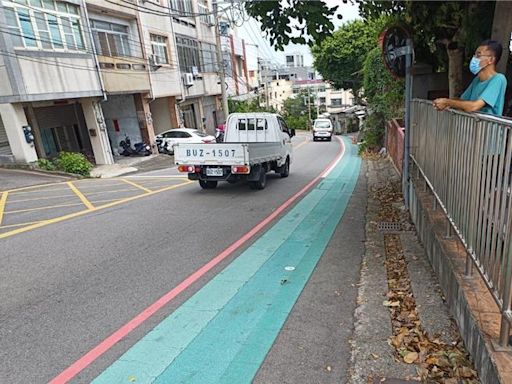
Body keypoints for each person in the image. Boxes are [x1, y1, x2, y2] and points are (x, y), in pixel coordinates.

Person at [433, 40, 507, 116]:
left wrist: (447, 102)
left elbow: (474, 106)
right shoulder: (477, 80)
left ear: (491, 60)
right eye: (474, 55)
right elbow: (462, 101)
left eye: (478, 55)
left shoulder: (499, 79)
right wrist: (446, 103)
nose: (474, 58)